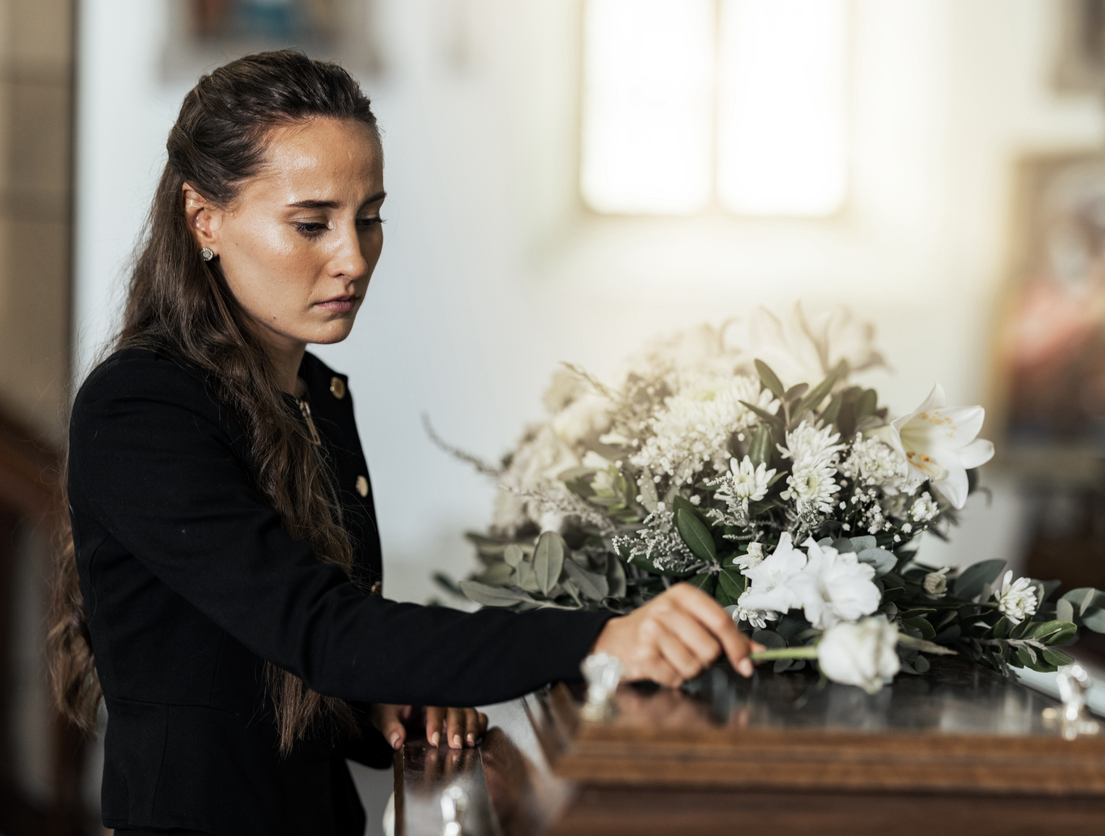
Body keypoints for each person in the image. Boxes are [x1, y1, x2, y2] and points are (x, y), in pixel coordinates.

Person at [48, 51, 758, 836]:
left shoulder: (314, 393)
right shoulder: (140, 406)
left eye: (370, 217)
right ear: (203, 219)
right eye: (310, 223)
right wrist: (600, 638)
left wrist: (374, 701)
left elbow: (268, 655)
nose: (352, 258)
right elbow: (318, 629)